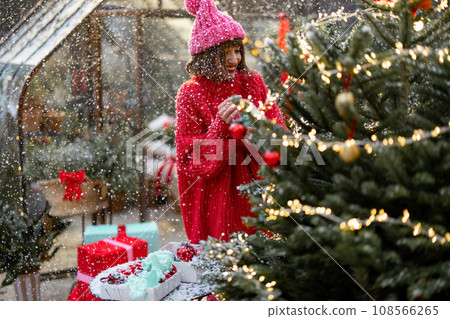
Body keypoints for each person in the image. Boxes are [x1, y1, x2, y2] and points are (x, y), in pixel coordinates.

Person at [176, 0, 287, 244]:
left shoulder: (252, 81)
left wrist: (254, 133)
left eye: (237, 50)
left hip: (255, 186)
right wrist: (219, 130)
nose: (234, 58)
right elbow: (188, 157)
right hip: (217, 196)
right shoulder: (190, 92)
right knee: (225, 261)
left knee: (260, 258)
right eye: (225, 52)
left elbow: (278, 130)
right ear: (207, 55)